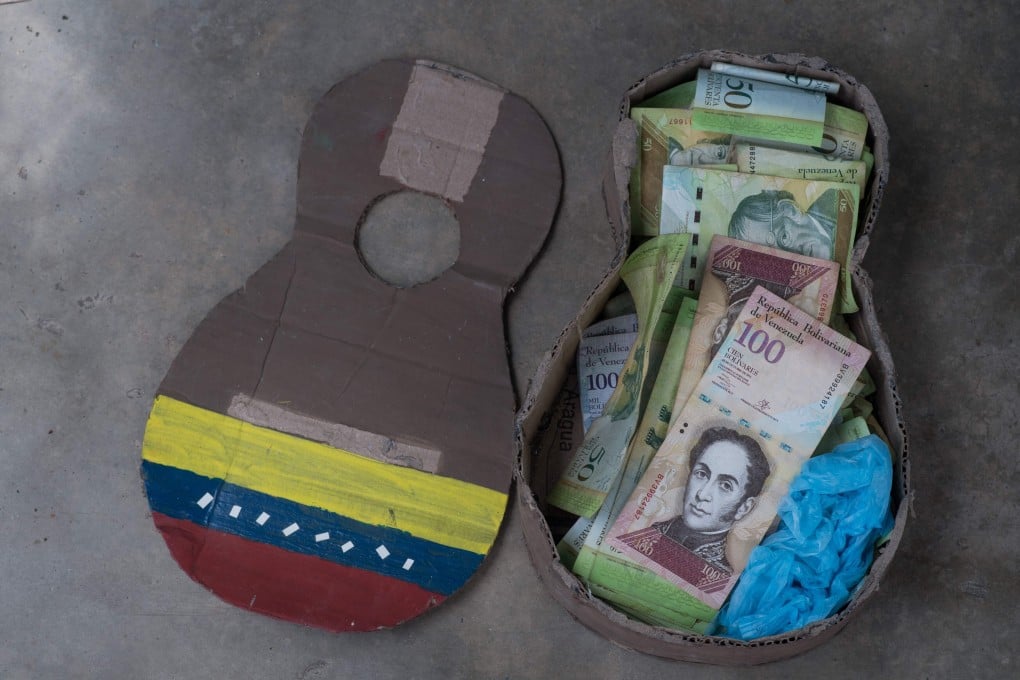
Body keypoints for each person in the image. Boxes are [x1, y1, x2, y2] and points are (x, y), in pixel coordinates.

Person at [648, 426, 770, 574]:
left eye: (725, 485)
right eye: (701, 474)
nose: (702, 494)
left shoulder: (718, 575)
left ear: (744, 508)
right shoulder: (649, 533)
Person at [727, 188, 840, 260]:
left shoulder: (839, 199)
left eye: (784, 237)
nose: (793, 256)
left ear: (790, 210)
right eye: (777, 258)